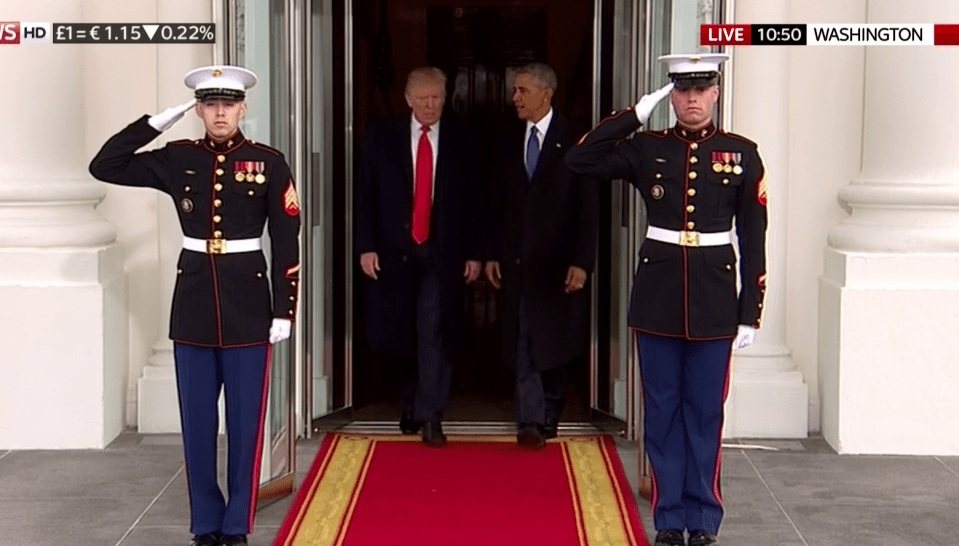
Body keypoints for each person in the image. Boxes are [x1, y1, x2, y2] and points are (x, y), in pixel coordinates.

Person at [89, 65, 300, 546]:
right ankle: (206, 521)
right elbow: (106, 165)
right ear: (199, 110)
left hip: (249, 305)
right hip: (193, 304)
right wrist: (156, 123)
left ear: (244, 108)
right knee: (198, 425)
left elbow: (287, 240)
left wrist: (284, 309)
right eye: (210, 105)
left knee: (246, 425)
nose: (220, 112)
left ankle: (236, 524)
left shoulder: (269, 161)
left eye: (229, 104)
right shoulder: (177, 157)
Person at [565, 54, 767, 546]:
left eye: (701, 89)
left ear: (716, 92)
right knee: (661, 411)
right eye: (681, 89)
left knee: (705, 414)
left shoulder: (741, 152)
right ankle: (669, 520)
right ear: (671, 95)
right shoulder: (646, 147)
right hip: (657, 297)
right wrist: (636, 113)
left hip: (716, 300)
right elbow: (579, 159)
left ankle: (704, 521)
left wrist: (750, 311)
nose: (692, 98)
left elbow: (755, 234)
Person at [355, 67, 483, 447]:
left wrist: (475, 252)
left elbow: (478, 201)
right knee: (399, 334)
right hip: (393, 253)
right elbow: (365, 195)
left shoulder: (463, 138)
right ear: (408, 100)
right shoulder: (382, 136)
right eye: (423, 98)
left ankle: (432, 415)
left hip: (441, 252)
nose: (431, 105)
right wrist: (366, 246)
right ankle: (409, 405)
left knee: (433, 333)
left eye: (437, 98)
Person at [485, 63, 598, 449]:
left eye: (522, 91)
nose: (514, 98)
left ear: (546, 94)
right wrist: (491, 253)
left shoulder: (575, 139)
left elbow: (588, 209)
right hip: (517, 261)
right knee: (523, 338)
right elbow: (497, 202)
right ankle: (531, 419)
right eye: (515, 90)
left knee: (555, 340)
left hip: (558, 264)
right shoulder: (506, 138)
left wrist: (582, 262)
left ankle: (552, 406)